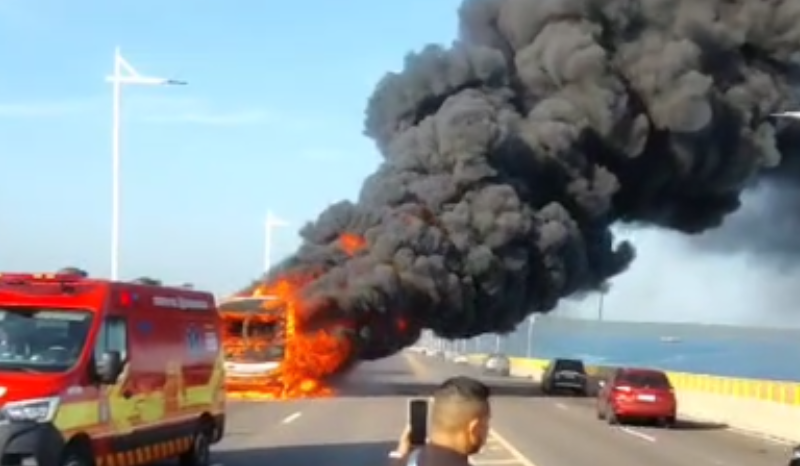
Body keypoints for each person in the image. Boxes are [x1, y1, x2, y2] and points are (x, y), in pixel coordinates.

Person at [389, 376, 491, 466]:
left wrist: (399, 457)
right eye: (486, 424)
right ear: (474, 429)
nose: (487, 431)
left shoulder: (404, 462)